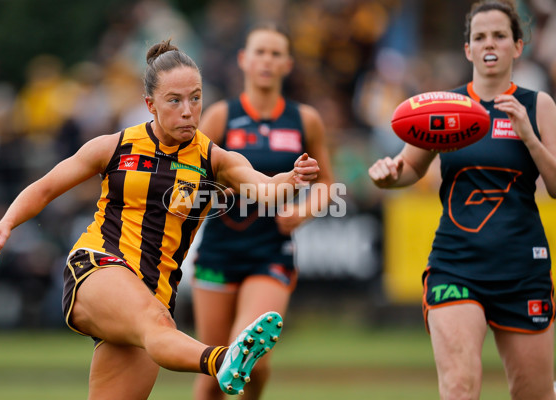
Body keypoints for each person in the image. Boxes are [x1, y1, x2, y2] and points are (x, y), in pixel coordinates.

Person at [0, 39, 321, 400]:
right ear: (150, 104)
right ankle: (222, 359)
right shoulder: (115, 146)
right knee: (159, 325)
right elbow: (46, 188)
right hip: (97, 267)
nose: (188, 110)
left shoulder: (214, 160)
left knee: (154, 327)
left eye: (195, 97)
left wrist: (291, 180)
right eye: (174, 100)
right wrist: (7, 222)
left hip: (153, 297)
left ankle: (222, 357)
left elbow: (265, 188)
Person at [369, 1, 556, 399]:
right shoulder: (443, 107)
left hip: (523, 267)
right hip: (456, 264)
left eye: (500, 36)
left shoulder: (538, 105)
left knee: (534, 394)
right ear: (468, 49)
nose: (490, 44)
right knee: (458, 388)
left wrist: (528, 135)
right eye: (480, 36)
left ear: (517, 46)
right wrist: (389, 175)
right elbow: (409, 168)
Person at [191, 23, 334, 400]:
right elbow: (192, 182)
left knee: (252, 352)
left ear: (287, 64)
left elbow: (327, 187)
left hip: (271, 251)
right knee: (211, 373)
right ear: (243, 60)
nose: (266, 61)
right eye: (259, 52)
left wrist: (302, 212)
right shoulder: (221, 116)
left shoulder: (305, 120)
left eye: (275, 54)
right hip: (219, 250)